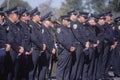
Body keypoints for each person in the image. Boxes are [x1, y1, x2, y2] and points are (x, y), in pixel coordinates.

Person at [56, 14, 76, 80]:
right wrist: (69, 47)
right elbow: (61, 40)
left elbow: (73, 39)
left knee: (67, 69)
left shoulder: (69, 29)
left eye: (69, 21)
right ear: (63, 20)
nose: (69, 22)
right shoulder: (59, 28)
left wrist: (73, 46)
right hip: (63, 51)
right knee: (61, 69)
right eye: (67, 21)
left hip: (69, 52)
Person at [28, 7, 46, 80]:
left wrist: (43, 44)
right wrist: (41, 46)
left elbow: (41, 37)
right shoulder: (31, 25)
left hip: (38, 49)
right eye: (38, 15)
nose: (40, 16)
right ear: (34, 16)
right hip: (34, 49)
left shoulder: (38, 25)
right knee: (31, 71)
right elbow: (33, 38)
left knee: (35, 70)